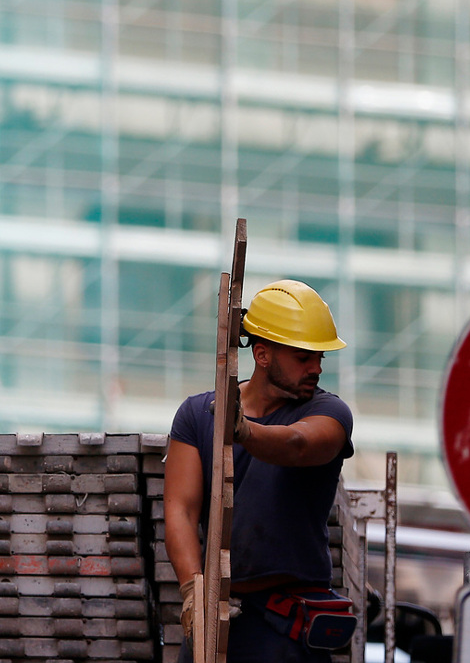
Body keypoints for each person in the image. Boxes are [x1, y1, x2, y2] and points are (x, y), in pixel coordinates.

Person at [164, 279, 355, 663]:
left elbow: (298, 444)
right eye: (303, 357)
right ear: (263, 354)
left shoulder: (329, 413)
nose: (316, 368)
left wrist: (244, 431)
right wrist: (192, 592)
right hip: (214, 617)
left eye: (320, 357)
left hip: (285, 628)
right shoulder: (197, 415)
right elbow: (180, 509)